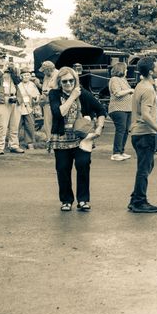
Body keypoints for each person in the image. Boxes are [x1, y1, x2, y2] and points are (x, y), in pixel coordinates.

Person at [47, 67, 107, 212]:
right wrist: (73, 96)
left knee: (83, 166)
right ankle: (66, 200)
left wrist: (99, 128)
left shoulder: (83, 93)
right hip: (61, 138)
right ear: (59, 82)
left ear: (75, 80)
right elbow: (58, 113)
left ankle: (83, 200)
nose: (68, 84)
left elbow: (101, 110)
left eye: (71, 81)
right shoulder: (54, 94)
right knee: (62, 169)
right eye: (64, 81)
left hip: (82, 138)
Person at [129, 57, 157, 213]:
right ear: (151, 71)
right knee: (144, 169)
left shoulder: (142, 85)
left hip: (139, 133)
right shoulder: (147, 89)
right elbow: (145, 115)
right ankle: (139, 202)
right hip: (144, 133)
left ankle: (135, 198)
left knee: (146, 166)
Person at [108, 62, 133, 161]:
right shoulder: (114, 79)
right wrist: (130, 90)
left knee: (126, 130)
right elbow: (117, 93)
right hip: (118, 109)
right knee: (121, 130)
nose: (127, 71)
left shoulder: (123, 80)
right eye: (125, 69)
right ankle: (116, 153)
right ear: (121, 70)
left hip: (127, 109)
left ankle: (121, 151)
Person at [16, 70, 42, 149]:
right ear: (21, 76)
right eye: (24, 75)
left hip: (29, 108)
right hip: (19, 108)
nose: (26, 77)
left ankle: (30, 143)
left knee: (30, 125)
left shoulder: (32, 84)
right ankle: (15, 143)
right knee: (17, 125)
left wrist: (36, 98)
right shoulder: (18, 85)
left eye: (28, 75)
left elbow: (37, 95)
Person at [39, 61, 58, 154]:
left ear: (49, 69)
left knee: (55, 123)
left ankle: (56, 144)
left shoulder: (58, 75)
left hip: (56, 103)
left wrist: (50, 92)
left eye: (44, 70)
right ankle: (49, 143)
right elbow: (43, 88)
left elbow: (61, 88)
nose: (43, 73)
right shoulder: (46, 76)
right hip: (46, 103)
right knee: (47, 124)